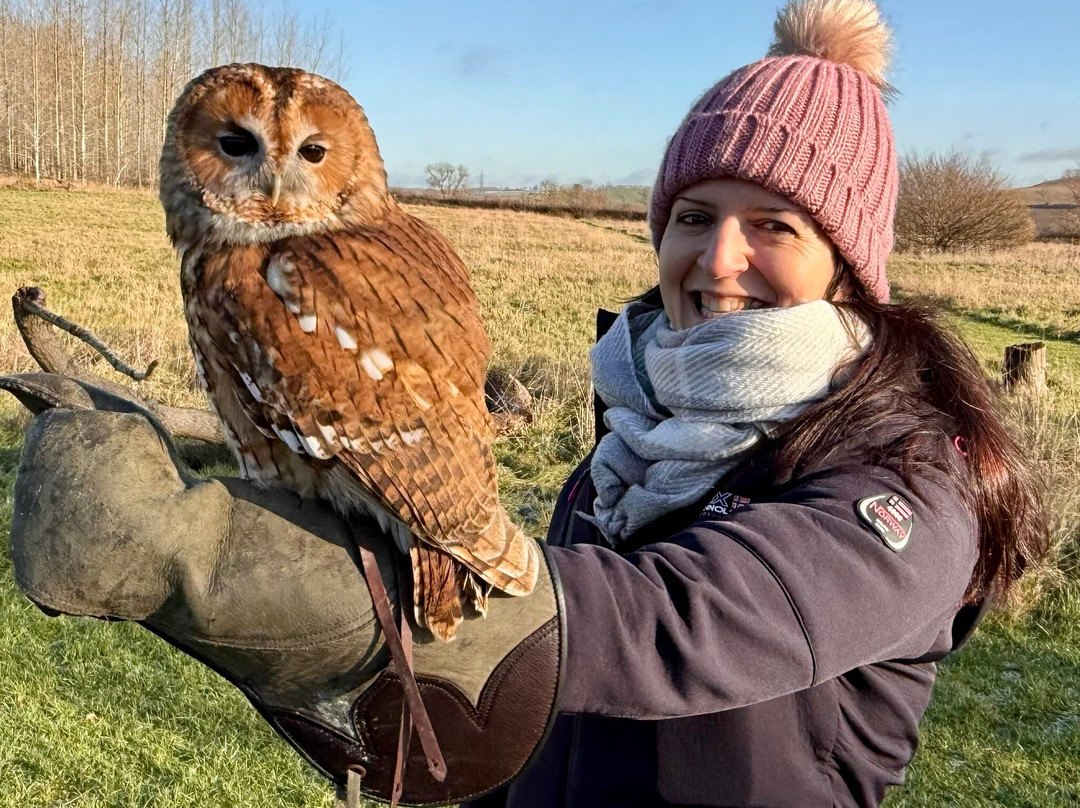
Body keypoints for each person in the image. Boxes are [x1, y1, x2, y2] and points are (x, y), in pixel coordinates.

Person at [5, 1, 1047, 807]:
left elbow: (673, 627)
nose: (718, 258)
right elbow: (531, 720)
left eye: (773, 225)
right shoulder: (635, 425)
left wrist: (244, 565)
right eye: (693, 214)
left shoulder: (909, 480)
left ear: (849, 263)